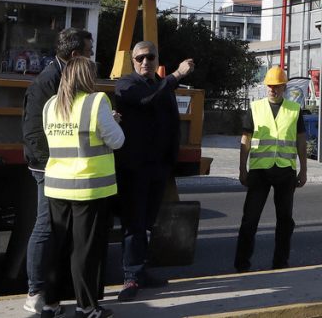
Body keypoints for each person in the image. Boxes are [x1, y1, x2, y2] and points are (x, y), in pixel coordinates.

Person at [41, 56, 124, 318]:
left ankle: (50, 304)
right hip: (89, 187)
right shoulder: (97, 101)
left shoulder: (51, 105)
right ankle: (86, 307)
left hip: (56, 186)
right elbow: (117, 141)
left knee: (58, 247)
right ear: (88, 77)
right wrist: (114, 121)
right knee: (84, 251)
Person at [113, 41, 194, 302]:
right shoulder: (127, 85)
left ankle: (141, 271)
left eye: (150, 57)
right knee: (134, 224)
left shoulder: (159, 86)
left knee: (147, 224)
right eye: (140, 58)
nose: (145, 62)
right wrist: (177, 75)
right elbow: (148, 100)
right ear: (132, 61)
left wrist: (172, 160)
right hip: (134, 168)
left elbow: (171, 120)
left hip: (158, 167)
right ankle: (131, 276)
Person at [21, 27, 94, 315]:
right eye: (89, 52)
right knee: (45, 227)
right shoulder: (49, 81)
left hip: (59, 166)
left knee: (57, 230)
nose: (91, 57)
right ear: (75, 55)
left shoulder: (62, 76)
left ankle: (49, 293)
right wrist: (52, 165)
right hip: (49, 168)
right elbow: (34, 132)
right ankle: (36, 292)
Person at [234, 66, 307, 273]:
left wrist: (303, 170)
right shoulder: (255, 107)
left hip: (285, 171)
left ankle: (280, 263)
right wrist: (242, 169)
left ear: (284, 87)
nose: (272, 89)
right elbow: (245, 140)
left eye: (276, 86)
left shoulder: (294, 109)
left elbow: (301, 141)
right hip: (260, 171)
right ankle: (241, 264)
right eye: (269, 86)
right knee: (250, 219)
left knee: (285, 221)